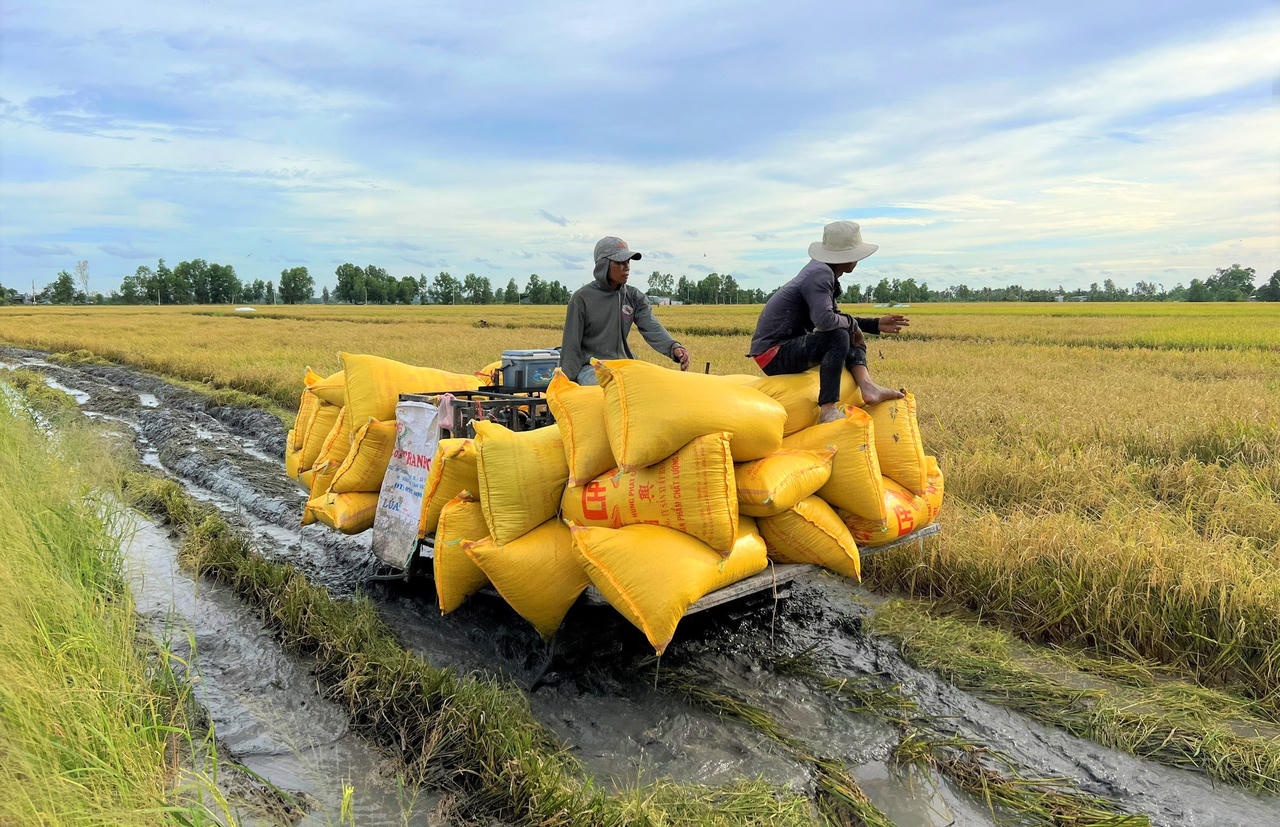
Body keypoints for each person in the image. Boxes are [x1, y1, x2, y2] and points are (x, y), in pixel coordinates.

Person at [748, 221, 908, 423]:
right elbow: (825, 321)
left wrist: (874, 324)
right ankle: (828, 409)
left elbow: (837, 318)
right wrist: (853, 326)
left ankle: (868, 386)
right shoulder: (820, 274)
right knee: (840, 334)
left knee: (846, 330)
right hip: (773, 354)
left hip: (787, 347)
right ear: (846, 256)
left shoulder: (822, 271)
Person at [560, 236, 690, 384]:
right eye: (619, 262)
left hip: (625, 364)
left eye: (628, 261)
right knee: (611, 386)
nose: (626, 267)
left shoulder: (634, 297)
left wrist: (674, 347)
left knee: (656, 384)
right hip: (591, 368)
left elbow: (652, 327)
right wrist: (565, 384)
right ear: (603, 265)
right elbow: (571, 346)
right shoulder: (581, 298)